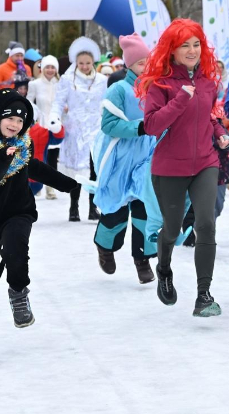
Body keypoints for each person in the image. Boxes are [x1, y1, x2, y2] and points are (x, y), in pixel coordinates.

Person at [0, 89, 78, 344]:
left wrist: (67, 184)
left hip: (19, 210)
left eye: (20, 120)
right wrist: (2, 157)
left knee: (16, 249)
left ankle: (19, 294)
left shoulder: (23, 144)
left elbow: (33, 166)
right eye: (10, 118)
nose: (14, 124)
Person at [138, 19, 229, 318]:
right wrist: (180, 99)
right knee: (172, 227)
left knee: (206, 223)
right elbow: (152, 126)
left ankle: (204, 295)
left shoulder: (208, 82)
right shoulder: (160, 84)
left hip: (205, 162)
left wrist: (219, 132)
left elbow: (208, 116)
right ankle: (164, 269)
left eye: (196, 45)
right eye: (185, 46)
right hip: (169, 167)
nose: (192, 51)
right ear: (172, 50)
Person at [92, 35, 160, 285]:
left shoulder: (155, 89)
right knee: (116, 211)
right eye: (141, 63)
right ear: (129, 65)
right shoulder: (118, 89)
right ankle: (105, 246)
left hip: (147, 159)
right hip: (120, 160)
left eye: (148, 62)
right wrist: (139, 128)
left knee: (145, 208)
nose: (146, 67)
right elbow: (109, 125)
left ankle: (142, 259)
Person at [53, 37, 108, 222]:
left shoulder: (101, 80)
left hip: (96, 130)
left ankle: (93, 207)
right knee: (76, 172)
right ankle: (73, 206)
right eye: (81, 63)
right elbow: (58, 102)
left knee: (95, 170)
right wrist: (55, 118)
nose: (84, 66)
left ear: (94, 62)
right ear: (76, 63)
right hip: (75, 131)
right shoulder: (68, 80)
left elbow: (107, 103)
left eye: (88, 63)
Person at [27, 54, 63, 200]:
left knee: (53, 158)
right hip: (40, 126)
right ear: (42, 69)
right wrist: (34, 116)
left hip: (55, 125)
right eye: (47, 67)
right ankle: (37, 182)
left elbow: (63, 101)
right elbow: (29, 102)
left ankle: (50, 188)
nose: (50, 70)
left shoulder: (60, 84)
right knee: (39, 157)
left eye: (53, 67)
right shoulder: (34, 84)